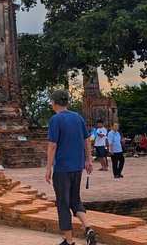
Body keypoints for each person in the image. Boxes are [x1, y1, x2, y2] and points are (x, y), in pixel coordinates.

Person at [45, 90, 97, 245]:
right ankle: (87, 227)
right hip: (77, 166)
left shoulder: (56, 120)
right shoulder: (78, 117)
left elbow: (52, 145)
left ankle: (69, 241)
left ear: (54, 103)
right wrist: (88, 160)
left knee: (62, 203)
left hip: (62, 168)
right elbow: (87, 140)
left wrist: (48, 167)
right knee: (75, 200)